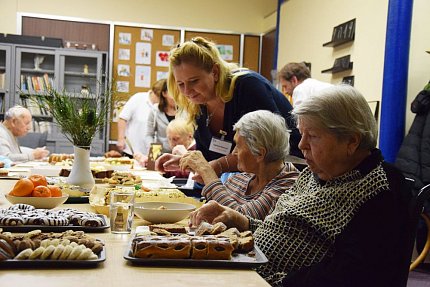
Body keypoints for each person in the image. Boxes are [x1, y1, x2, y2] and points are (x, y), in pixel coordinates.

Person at [189, 85, 411, 286]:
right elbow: (284, 230)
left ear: (351, 142)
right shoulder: (316, 173)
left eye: (312, 136)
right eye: (302, 134)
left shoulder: (380, 190)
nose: (302, 145)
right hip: (248, 268)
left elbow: (350, 276)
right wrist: (240, 220)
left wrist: (264, 280)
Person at [156, 36, 302, 181]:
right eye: (181, 84)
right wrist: (184, 162)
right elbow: (208, 156)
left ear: (214, 72)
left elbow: (264, 149)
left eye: (194, 81)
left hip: (286, 178)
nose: (187, 91)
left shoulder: (247, 87)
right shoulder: (199, 104)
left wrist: (219, 166)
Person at [179, 110, 298, 220]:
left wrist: (207, 171)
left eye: (238, 146)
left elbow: (239, 218)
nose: (234, 152)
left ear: (260, 154)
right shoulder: (239, 179)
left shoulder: (288, 186)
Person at [134, 79, 177, 166]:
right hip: (161, 154)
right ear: (164, 93)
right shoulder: (155, 110)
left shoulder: (186, 111)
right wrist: (154, 155)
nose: (176, 95)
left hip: (180, 154)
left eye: (178, 92)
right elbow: (149, 135)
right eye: (172, 92)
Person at [116, 79, 163, 157]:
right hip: (132, 151)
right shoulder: (138, 98)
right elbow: (122, 118)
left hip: (153, 153)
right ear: (155, 93)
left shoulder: (164, 106)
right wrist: (120, 139)